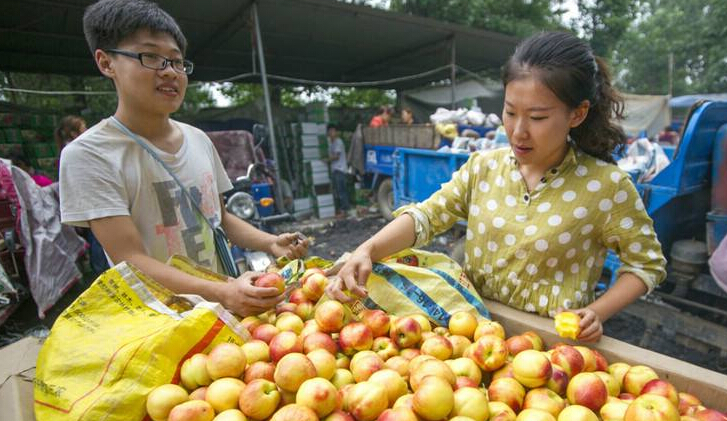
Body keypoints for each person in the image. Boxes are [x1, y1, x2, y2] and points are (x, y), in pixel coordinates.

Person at [327, 31, 667, 343]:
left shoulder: (606, 187)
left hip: (552, 350)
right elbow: (426, 216)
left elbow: (646, 264)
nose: (518, 131)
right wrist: (368, 249)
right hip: (472, 333)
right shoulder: (483, 168)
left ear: (577, 114)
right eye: (509, 112)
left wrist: (598, 311)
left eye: (537, 118)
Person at [60, 0, 308, 317]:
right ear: (106, 63)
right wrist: (223, 291)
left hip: (223, 312)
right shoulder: (89, 155)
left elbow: (218, 216)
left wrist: (270, 243)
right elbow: (131, 261)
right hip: (159, 321)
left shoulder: (199, 140)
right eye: (150, 57)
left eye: (177, 62)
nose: (169, 72)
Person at [325, 123, 352, 218]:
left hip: (340, 170)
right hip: (335, 170)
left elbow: (336, 156)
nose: (331, 133)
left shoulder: (338, 142)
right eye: (330, 131)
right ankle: (341, 210)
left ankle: (345, 211)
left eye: (333, 131)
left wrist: (326, 160)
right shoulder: (331, 143)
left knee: (341, 191)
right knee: (338, 191)